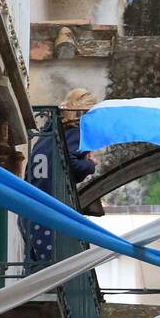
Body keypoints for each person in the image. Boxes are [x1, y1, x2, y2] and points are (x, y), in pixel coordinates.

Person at [22, 89, 98, 269]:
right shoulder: (75, 134)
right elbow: (71, 163)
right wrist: (90, 165)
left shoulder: (48, 134)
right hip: (49, 208)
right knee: (53, 269)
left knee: (36, 266)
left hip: (30, 208)